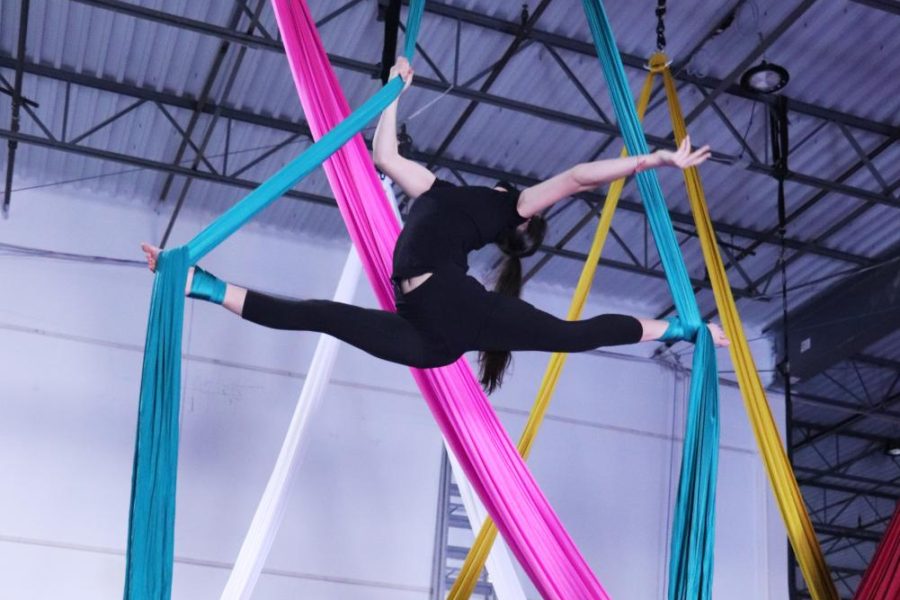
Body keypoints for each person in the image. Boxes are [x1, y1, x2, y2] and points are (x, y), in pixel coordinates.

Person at [142, 57, 728, 393]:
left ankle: (677, 329)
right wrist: (395, 91)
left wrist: (651, 160)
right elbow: (386, 158)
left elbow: (577, 176)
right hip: (432, 330)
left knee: (570, 336)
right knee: (318, 314)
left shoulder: (513, 207)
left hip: (450, 315)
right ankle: (203, 285)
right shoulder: (440, 192)